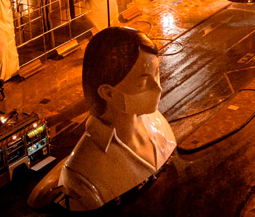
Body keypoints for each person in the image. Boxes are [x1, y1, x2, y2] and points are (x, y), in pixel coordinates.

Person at [57, 27, 176, 211]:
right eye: (143, 82)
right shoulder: (82, 176)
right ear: (108, 93)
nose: (157, 87)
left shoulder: (158, 122)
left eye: (157, 74)